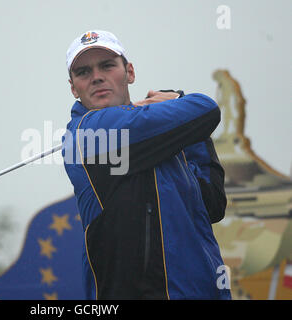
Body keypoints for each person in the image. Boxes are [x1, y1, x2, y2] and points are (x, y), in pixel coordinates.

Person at [62, 30, 231, 300]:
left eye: (107, 65)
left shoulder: (158, 134)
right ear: (74, 88)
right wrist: (178, 102)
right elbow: (206, 108)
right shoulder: (87, 134)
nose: (96, 76)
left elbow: (212, 204)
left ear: (129, 72)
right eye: (83, 72)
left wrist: (188, 133)